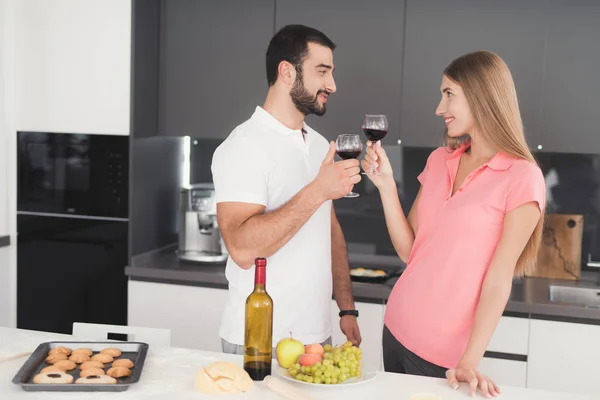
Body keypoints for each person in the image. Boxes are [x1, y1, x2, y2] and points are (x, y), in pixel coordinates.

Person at [362, 50, 546, 397]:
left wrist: (469, 361)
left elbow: (498, 279)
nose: (439, 108)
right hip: (395, 327)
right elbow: (409, 251)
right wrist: (386, 184)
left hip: (443, 355)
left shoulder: (522, 177)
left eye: (449, 95)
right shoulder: (438, 161)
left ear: (481, 96)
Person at [211, 24, 362, 355]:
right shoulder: (243, 146)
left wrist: (346, 307)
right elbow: (241, 248)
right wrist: (319, 190)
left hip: (316, 337)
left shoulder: (319, 143)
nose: (332, 85)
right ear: (286, 72)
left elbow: (330, 231)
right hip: (260, 338)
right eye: (322, 72)